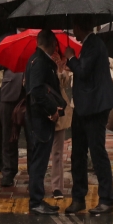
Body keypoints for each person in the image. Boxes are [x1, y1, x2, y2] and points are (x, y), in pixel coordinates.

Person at [64, 17, 113, 215]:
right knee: (78, 153)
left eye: (74, 27)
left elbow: (84, 71)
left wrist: (71, 58)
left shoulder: (94, 44)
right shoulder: (89, 45)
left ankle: (106, 199)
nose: (73, 31)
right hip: (83, 107)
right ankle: (78, 197)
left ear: (79, 26)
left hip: (95, 108)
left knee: (97, 152)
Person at [25, 30, 62, 215]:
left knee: (38, 159)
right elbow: (38, 91)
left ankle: (38, 199)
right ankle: (36, 202)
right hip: (40, 119)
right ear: (53, 43)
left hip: (36, 118)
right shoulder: (41, 62)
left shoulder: (33, 59)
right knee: (39, 161)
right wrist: (53, 110)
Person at [0, 32, 27, 187]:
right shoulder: (6, 39)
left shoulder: (37, 36)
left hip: (31, 93)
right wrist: (12, 54)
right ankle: (8, 172)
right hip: (9, 92)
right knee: (8, 136)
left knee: (32, 138)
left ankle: (34, 174)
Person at [50, 53, 73, 200]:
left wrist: (60, 70)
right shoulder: (36, 62)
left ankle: (57, 187)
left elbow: (64, 84)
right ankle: (36, 184)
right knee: (39, 151)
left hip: (59, 109)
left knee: (58, 151)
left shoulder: (61, 65)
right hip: (41, 110)